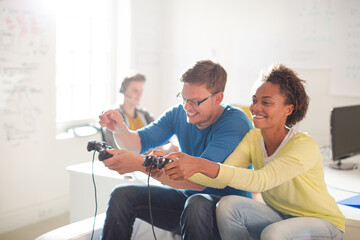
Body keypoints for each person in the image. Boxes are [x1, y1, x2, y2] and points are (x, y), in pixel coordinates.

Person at [164, 64, 345, 239]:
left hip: (322, 222)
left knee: (273, 234)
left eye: (266, 102)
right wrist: (172, 166)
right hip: (280, 216)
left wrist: (199, 164)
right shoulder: (253, 138)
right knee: (227, 205)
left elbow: (261, 181)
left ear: (288, 109)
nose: (255, 107)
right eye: (254, 100)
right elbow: (220, 177)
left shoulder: (304, 145)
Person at [98, 60, 253, 240]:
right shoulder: (179, 113)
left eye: (194, 101)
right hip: (189, 202)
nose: (187, 107)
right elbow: (138, 143)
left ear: (218, 98)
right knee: (122, 194)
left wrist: (139, 164)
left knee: (197, 203)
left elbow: (201, 180)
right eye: (183, 98)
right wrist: (121, 130)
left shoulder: (235, 122)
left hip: (227, 213)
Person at [102, 73, 154, 148]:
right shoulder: (113, 117)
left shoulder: (146, 115)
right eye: (135, 91)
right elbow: (115, 150)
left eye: (141, 91)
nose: (139, 94)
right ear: (124, 90)